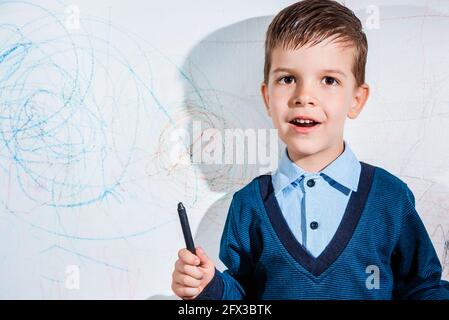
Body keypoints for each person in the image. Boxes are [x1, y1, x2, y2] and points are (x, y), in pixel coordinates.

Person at [171, 0, 449, 299]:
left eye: (328, 80)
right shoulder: (248, 204)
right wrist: (209, 286)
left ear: (356, 99)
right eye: (288, 79)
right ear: (267, 97)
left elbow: (423, 287)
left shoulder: (390, 197)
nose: (304, 96)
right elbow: (242, 296)